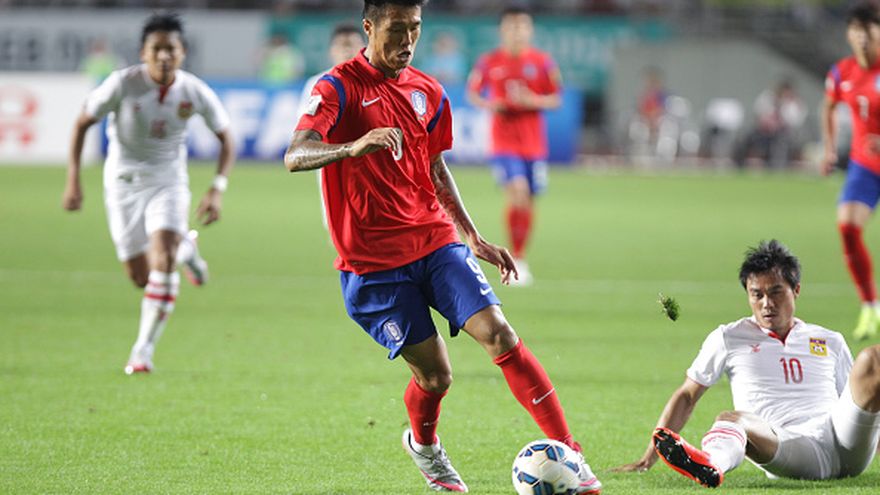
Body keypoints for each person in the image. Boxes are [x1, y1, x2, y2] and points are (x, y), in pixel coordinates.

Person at [284, 1, 601, 493]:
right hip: (372, 265)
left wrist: (472, 235)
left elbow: (434, 167)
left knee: (500, 334)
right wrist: (352, 146)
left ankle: (573, 458)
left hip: (434, 240)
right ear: (369, 27)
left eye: (415, 28)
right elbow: (295, 153)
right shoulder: (337, 87)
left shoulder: (428, 91)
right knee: (436, 378)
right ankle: (425, 445)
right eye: (396, 29)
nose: (407, 40)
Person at [612, 240, 880, 488]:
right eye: (757, 295)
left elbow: (861, 403)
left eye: (776, 292)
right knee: (732, 419)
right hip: (787, 448)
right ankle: (711, 463)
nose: (767, 304)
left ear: (796, 290)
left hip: (844, 441)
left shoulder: (829, 340)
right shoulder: (729, 337)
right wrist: (649, 456)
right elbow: (687, 395)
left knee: (872, 358)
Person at [62, 13, 235, 375]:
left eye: (171, 49)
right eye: (156, 49)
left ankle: (142, 351)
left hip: (168, 182)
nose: (164, 56)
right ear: (143, 53)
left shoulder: (193, 91)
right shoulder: (121, 84)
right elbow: (81, 123)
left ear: (182, 53)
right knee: (141, 277)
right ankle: (188, 250)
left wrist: (217, 188)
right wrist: (74, 180)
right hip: (123, 183)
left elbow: (226, 137)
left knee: (163, 259)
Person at [466, 7, 562, 286]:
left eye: (522, 26)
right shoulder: (489, 62)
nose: (517, 32)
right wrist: (491, 104)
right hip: (503, 142)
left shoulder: (542, 62)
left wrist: (533, 100)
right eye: (511, 26)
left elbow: (556, 98)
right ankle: (515, 257)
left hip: (533, 144)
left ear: (530, 30)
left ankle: (521, 256)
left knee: (528, 199)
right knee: (517, 192)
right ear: (502, 30)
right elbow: (473, 93)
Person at [822, 2, 880, 341]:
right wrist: (830, 147)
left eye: (868, 30)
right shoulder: (841, 72)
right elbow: (828, 106)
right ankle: (870, 306)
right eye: (856, 30)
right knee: (847, 227)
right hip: (864, 167)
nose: (862, 37)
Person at [735, 78, 807, 169]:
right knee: (746, 137)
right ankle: (740, 163)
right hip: (763, 132)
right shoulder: (767, 97)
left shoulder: (793, 104)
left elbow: (795, 122)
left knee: (781, 140)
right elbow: (759, 114)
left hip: (783, 134)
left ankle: (777, 165)